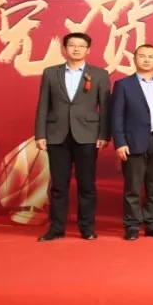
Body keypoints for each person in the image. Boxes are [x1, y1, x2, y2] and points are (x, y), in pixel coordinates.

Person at [34, 32, 111, 242]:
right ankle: (56, 227)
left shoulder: (99, 74)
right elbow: (43, 105)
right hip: (56, 134)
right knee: (58, 185)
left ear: (88, 50)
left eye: (81, 46)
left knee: (87, 185)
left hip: (87, 135)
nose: (76, 49)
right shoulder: (51, 73)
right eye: (72, 45)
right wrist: (40, 133)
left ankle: (87, 227)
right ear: (64, 49)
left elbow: (105, 107)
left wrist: (104, 134)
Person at [111, 44, 153, 240]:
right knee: (133, 187)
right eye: (142, 56)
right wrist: (120, 142)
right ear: (134, 59)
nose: (146, 60)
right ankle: (132, 225)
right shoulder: (123, 85)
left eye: (151, 56)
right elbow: (116, 116)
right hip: (132, 142)